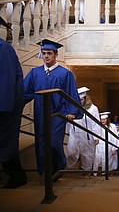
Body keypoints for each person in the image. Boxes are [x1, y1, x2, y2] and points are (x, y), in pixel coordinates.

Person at [24, 39, 83, 175]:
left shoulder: (64, 73)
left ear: (55, 55)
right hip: (40, 113)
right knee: (41, 142)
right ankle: (45, 171)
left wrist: (72, 111)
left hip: (58, 114)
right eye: (44, 53)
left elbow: (71, 93)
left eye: (49, 53)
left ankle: (58, 167)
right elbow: (25, 92)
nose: (46, 56)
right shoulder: (35, 73)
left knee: (54, 143)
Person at [0, 17, 27, 188]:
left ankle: (17, 176)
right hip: (5, 104)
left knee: (5, 142)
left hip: (5, 107)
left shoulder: (3, 49)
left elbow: (6, 80)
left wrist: (4, 108)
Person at [66, 87, 100, 173]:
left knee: (88, 154)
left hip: (88, 134)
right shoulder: (73, 107)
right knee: (71, 151)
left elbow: (95, 123)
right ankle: (73, 166)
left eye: (81, 99)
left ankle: (86, 171)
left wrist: (96, 136)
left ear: (85, 99)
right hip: (75, 132)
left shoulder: (93, 109)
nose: (79, 101)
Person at [93, 112, 119, 176]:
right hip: (99, 144)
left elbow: (115, 137)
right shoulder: (98, 125)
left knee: (107, 159)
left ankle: (105, 172)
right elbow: (95, 133)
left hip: (109, 145)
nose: (102, 121)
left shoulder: (112, 126)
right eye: (101, 119)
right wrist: (95, 139)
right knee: (97, 158)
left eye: (104, 119)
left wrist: (115, 148)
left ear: (107, 119)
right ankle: (95, 172)